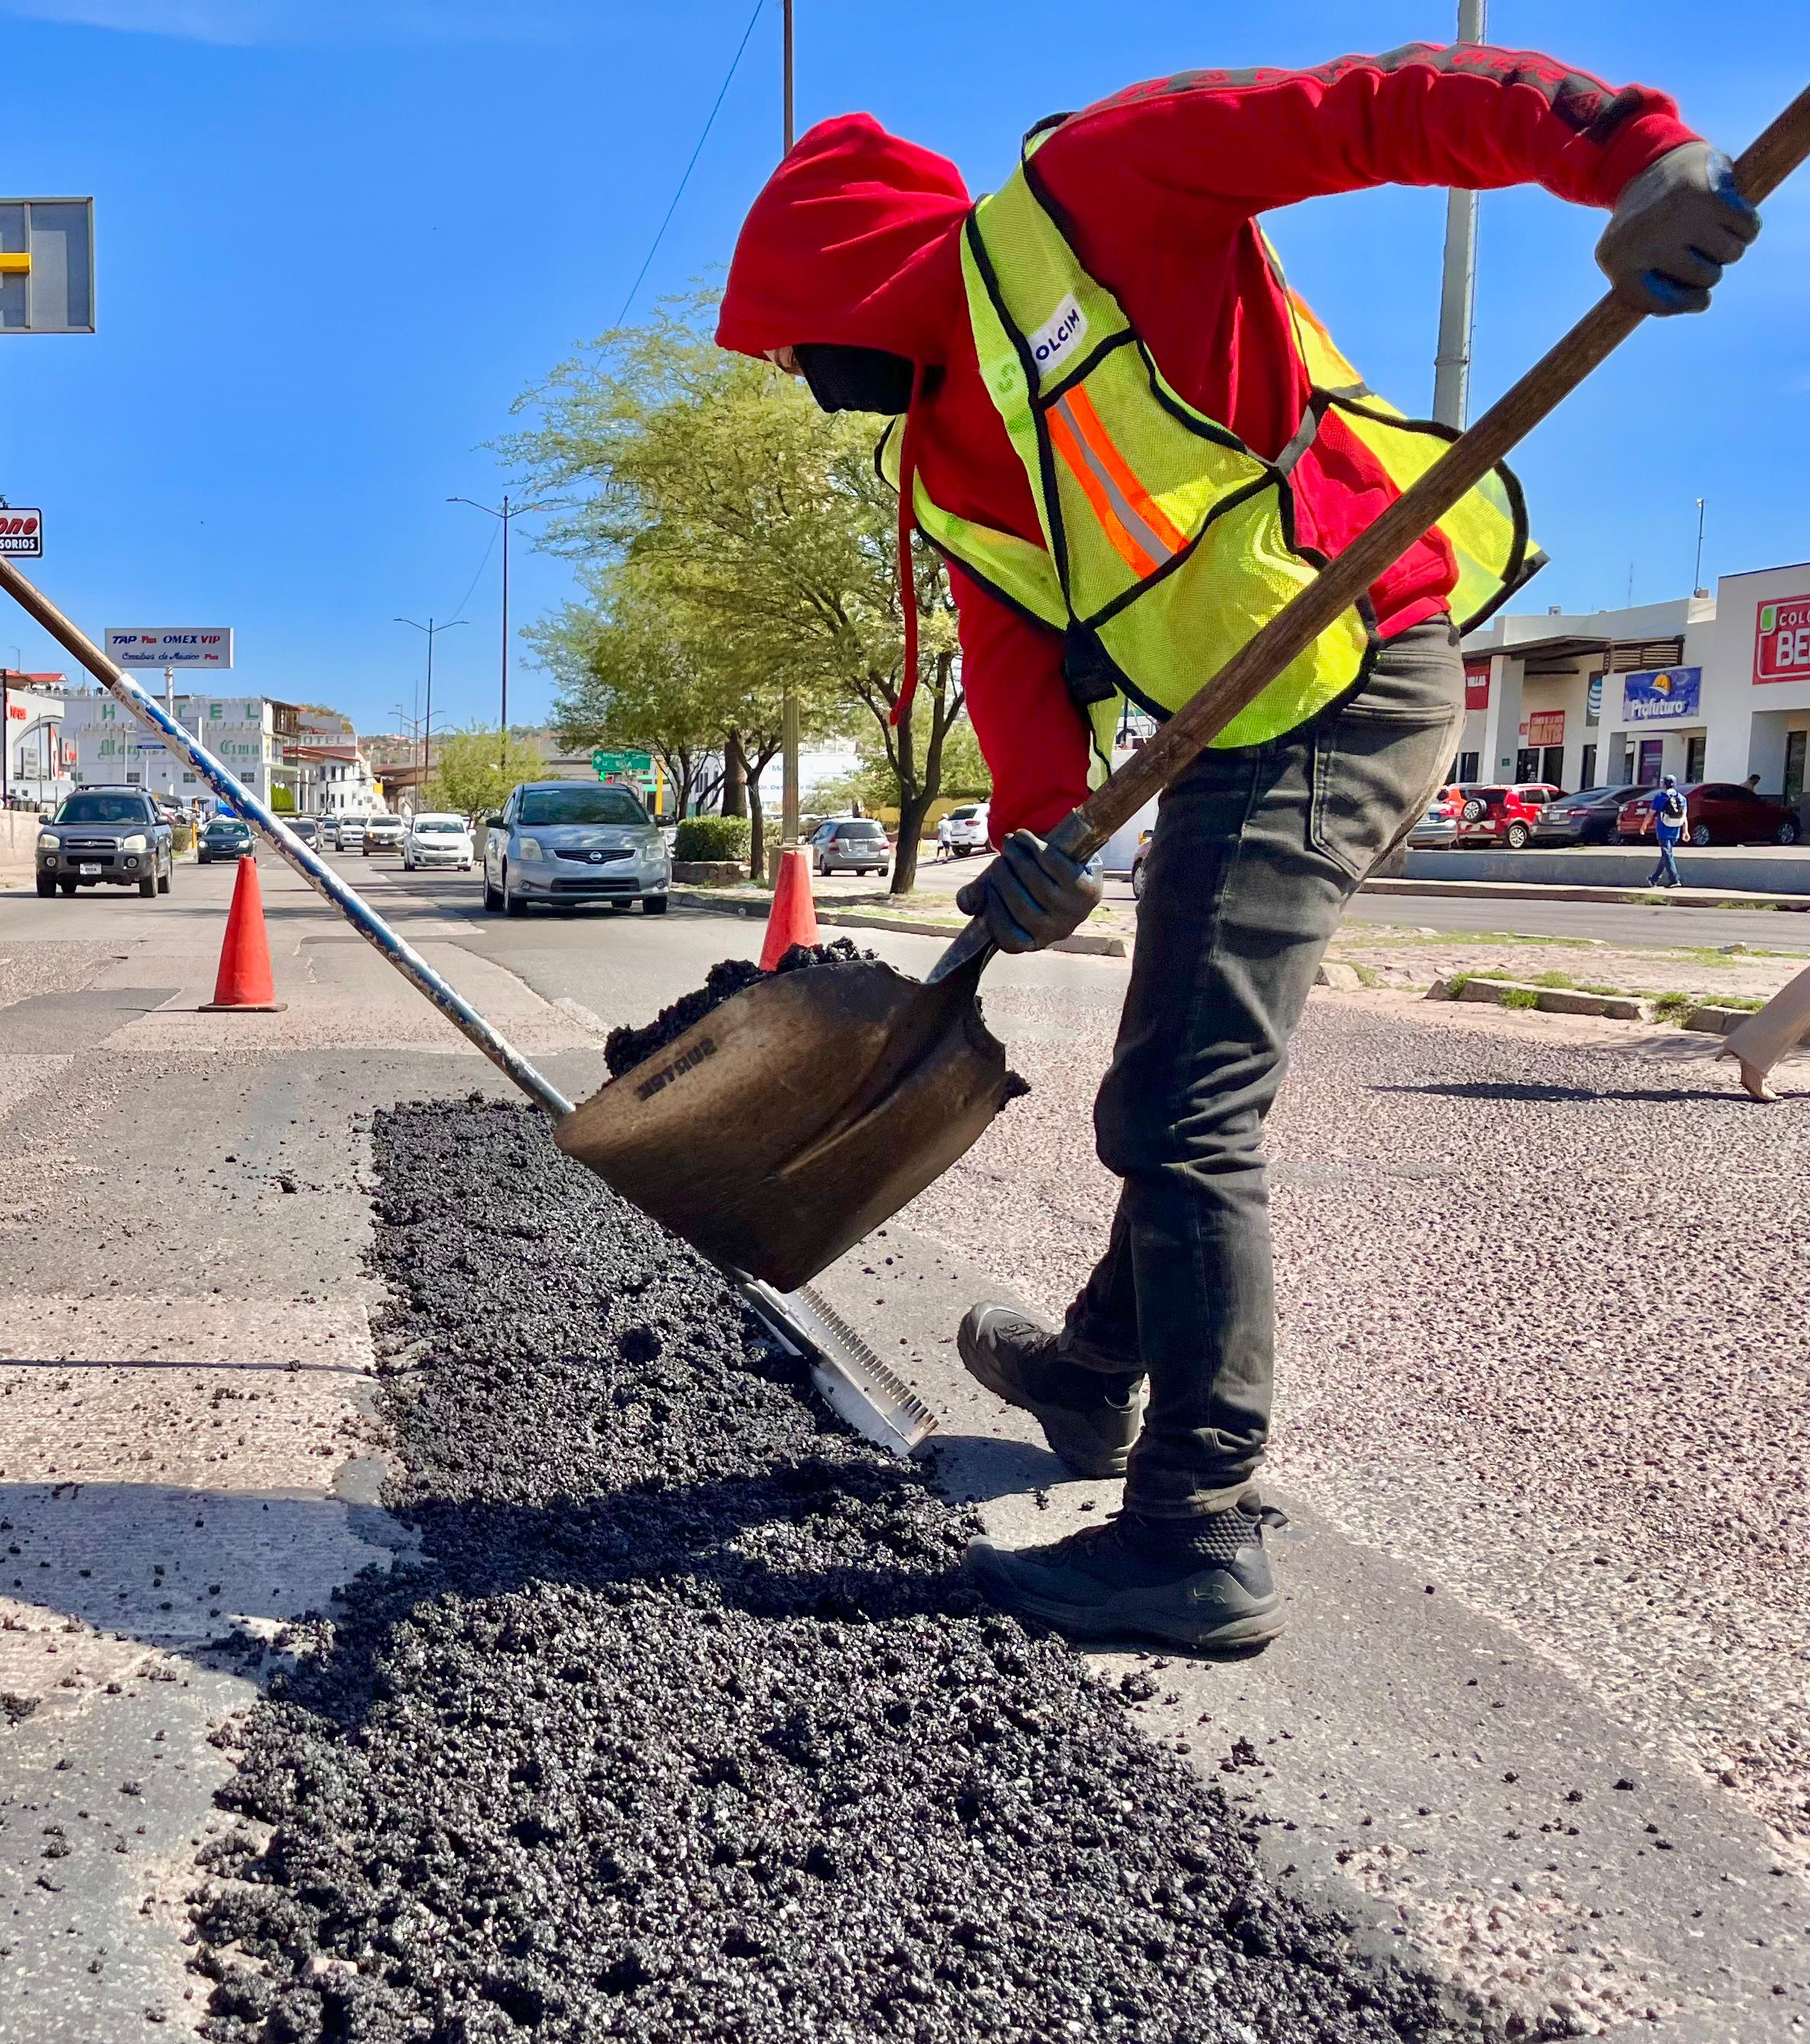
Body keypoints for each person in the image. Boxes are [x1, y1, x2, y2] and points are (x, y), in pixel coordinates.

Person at [716, 46, 1755, 1652]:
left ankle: (1195, 1535)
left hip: (1348, 670)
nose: (794, 371)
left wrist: (1629, 153)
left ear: (841, 274)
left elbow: (1377, 105)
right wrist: (1032, 834)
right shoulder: (948, 449)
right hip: (1232, 720)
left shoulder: (1100, 188)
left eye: (789, 337)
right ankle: (1089, 1373)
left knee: (1180, 1103)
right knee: (1183, 1069)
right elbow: (1016, 647)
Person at [1648, 776, 1689, 888]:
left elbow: (1651, 814)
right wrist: (1686, 831)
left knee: (1667, 854)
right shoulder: (1682, 798)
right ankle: (1654, 878)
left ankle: (1674, 879)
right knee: (1667, 854)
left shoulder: (1660, 797)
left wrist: (1644, 826)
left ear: (1664, 785)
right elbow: (1684, 816)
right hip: (1676, 830)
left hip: (1663, 830)